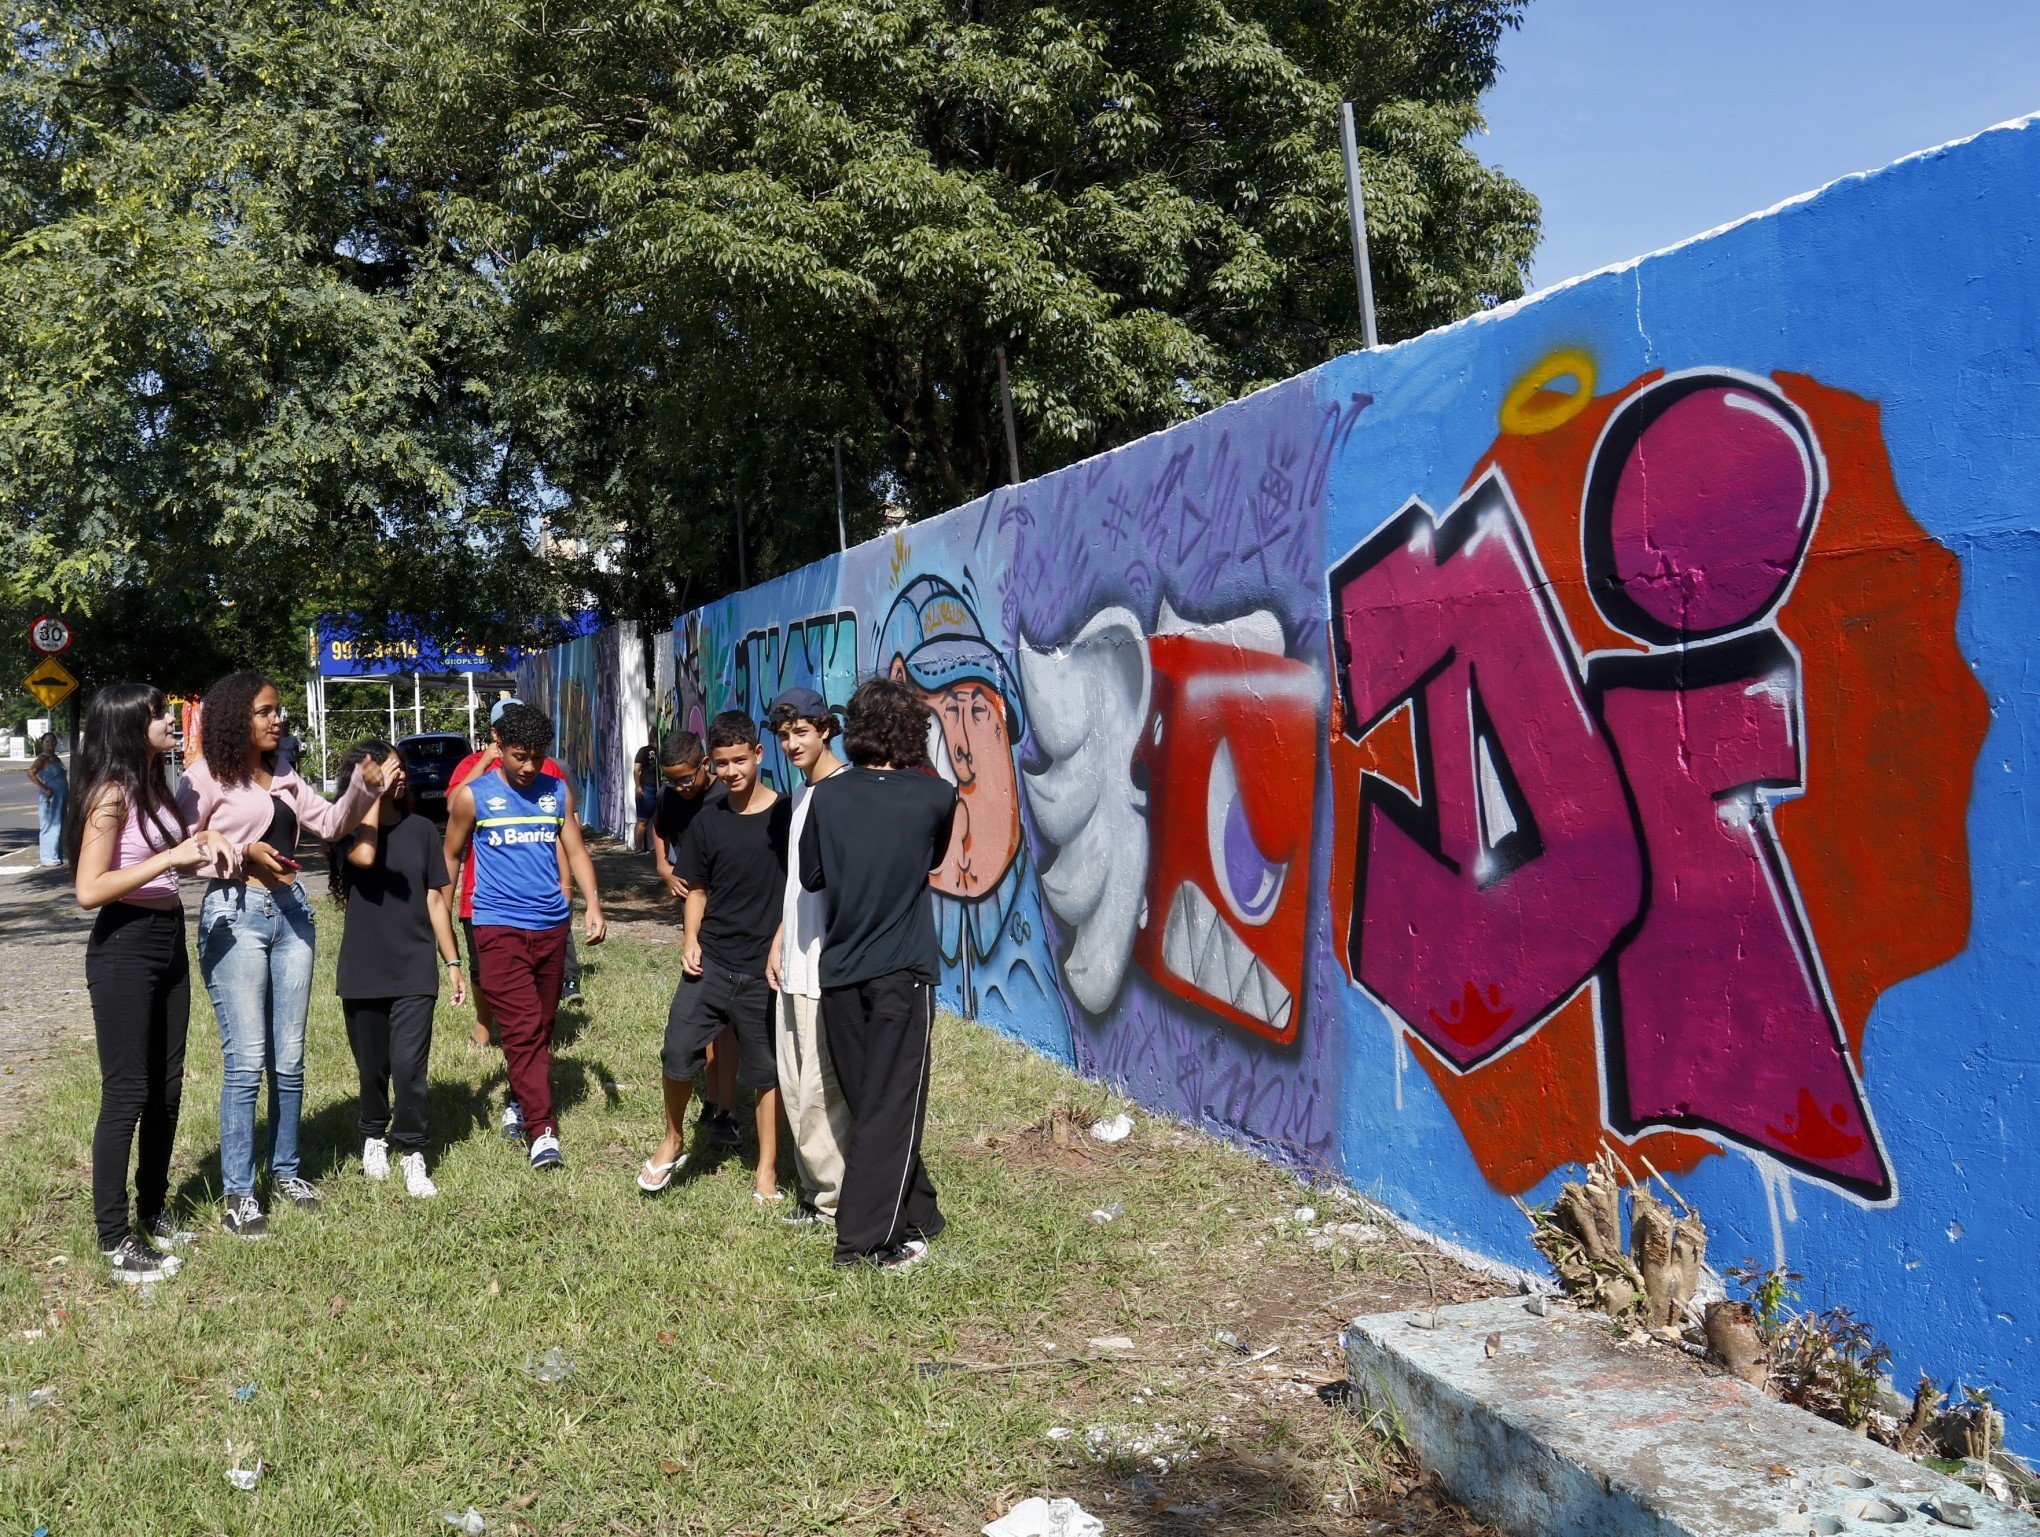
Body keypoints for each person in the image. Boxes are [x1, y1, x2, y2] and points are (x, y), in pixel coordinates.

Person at [178, 672, 385, 1239]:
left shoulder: (287, 773)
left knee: (289, 1057)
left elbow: (332, 825)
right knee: (246, 1059)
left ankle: (287, 1170)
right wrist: (240, 853)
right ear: (234, 719)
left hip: (293, 915)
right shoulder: (203, 779)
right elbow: (174, 853)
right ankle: (239, 1194)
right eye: (265, 712)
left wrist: (364, 789)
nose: (277, 721)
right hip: (234, 916)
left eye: (278, 712)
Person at [799, 677, 958, 1270]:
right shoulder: (936, 797)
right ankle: (862, 1242)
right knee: (891, 1105)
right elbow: (932, 859)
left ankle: (922, 1213)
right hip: (903, 974)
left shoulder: (827, 797)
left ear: (856, 730)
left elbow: (813, 877)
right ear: (913, 732)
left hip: (840, 971)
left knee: (872, 1102)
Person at [69, 684, 222, 1283]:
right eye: (158, 715)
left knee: (167, 1088)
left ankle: (154, 1212)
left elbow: (182, 848)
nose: (169, 722)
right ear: (132, 726)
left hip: (167, 938)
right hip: (124, 945)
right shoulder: (110, 795)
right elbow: (88, 891)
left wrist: (206, 842)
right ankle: (114, 1239)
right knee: (127, 1093)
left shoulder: (154, 786)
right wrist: (169, 860)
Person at [442, 703, 605, 1171]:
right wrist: (443, 911)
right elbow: (450, 857)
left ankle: (517, 1098)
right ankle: (542, 1130)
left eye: (537, 756)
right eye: (518, 756)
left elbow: (575, 849)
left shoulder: (556, 792)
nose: (529, 767)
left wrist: (592, 904)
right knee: (519, 1027)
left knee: (542, 1025)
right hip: (497, 926)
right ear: (499, 749)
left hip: (552, 926)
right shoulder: (474, 797)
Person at [638, 711, 791, 1203]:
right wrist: (689, 939)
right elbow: (697, 889)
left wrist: (779, 943)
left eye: (739, 761)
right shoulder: (708, 820)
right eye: (722, 764)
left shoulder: (787, 816)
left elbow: (799, 893)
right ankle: (674, 1138)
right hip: (712, 962)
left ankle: (766, 1169)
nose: (731, 772)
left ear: (758, 755)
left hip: (763, 970)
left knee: (765, 1072)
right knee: (677, 1052)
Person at [328, 739, 464, 1199]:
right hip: (363, 968)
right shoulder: (345, 830)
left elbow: (434, 898)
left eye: (400, 767)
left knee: (409, 1066)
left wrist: (452, 962)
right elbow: (364, 859)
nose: (401, 775)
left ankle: (412, 1150)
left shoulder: (423, 829)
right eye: (389, 770)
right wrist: (368, 796)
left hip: (413, 967)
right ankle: (372, 1135)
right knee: (373, 1068)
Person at [765, 689, 853, 1227]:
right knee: (797, 1087)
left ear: (825, 729)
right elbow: (799, 886)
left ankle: (834, 1202)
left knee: (823, 1091)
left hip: (827, 967)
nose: (791, 743)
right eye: (783, 735)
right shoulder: (801, 795)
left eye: (801, 732)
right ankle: (815, 1192)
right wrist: (779, 937)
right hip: (794, 961)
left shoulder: (845, 794)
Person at [650, 730, 741, 1148]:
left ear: (705, 764)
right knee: (706, 1012)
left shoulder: (727, 796)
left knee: (729, 1022)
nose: (681, 788)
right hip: (697, 911)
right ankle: (713, 1101)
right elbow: (660, 826)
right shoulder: (672, 796)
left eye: (687, 779)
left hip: (732, 913)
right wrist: (664, 866)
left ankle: (726, 1107)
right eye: (672, 781)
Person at [29, 732, 68, 868]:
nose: (50, 744)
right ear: (42, 743)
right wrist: (45, 788)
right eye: (47, 741)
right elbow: (31, 773)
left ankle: (58, 854)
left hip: (62, 794)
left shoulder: (55, 757)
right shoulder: (43, 759)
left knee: (61, 823)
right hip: (50, 795)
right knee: (49, 825)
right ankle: (48, 857)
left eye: (53, 741)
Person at [632, 738, 660, 853]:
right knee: (643, 820)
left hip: (659, 787)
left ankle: (658, 849)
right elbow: (636, 770)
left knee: (659, 820)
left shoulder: (663, 751)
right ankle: (638, 849)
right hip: (646, 787)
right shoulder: (643, 751)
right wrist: (638, 787)